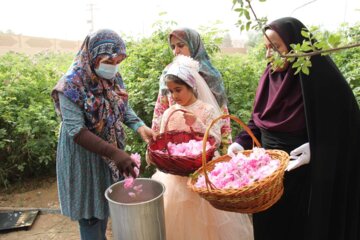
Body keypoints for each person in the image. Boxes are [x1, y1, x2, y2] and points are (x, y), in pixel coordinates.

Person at [228, 17, 360, 240]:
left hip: (306, 179)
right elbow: (258, 121)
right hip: (268, 179)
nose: (269, 55)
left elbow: (347, 130)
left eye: (276, 47)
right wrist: (240, 142)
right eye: (267, 48)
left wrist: (317, 149)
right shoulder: (270, 77)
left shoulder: (320, 80)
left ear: (296, 45)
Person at [51, 29, 155, 240]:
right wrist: (115, 154)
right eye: (109, 60)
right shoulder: (70, 85)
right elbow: (77, 131)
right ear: (93, 55)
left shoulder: (112, 78)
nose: (114, 65)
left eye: (118, 60)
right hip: (83, 158)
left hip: (107, 152)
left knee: (103, 209)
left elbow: (122, 106)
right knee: (90, 215)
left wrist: (139, 126)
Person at [151, 55, 254, 240]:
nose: (174, 96)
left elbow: (213, 139)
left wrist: (197, 123)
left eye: (178, 90)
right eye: (170, 91)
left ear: (192, 87)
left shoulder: (207, 110)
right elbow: (163, 138)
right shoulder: (169, 112)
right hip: (175, 176)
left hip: (202, 173)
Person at [151, 27, 232, 154]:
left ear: (194, 45)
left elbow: (222, 114)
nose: (176, 51)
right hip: (178, 148)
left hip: (206, 144)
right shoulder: (169, 72)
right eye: (173, 47)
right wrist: (156, 143)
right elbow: (161, 109)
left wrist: (226, 149)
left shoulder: (211, 74)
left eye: (181, 45)